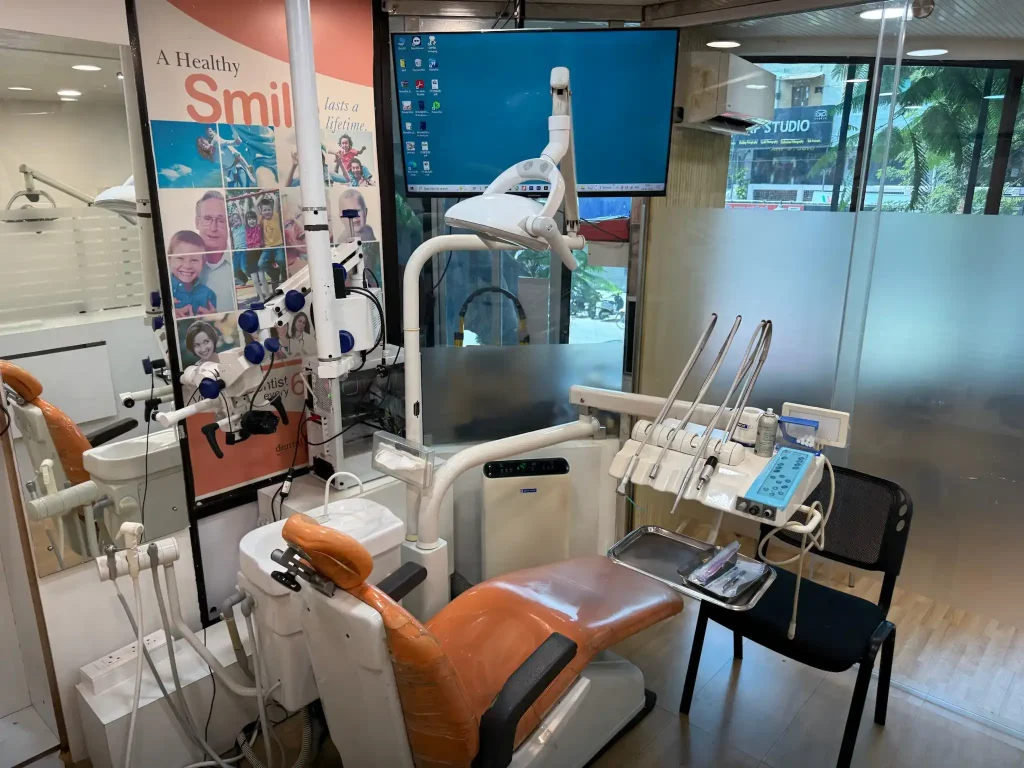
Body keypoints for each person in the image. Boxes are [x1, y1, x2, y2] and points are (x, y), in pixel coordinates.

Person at [194, 190, 235, 311]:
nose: (213, 228)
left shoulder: (241, 265)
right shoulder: (182, 268)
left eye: (221, 220)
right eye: (207, 219)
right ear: (197, 222)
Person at [169, 231, 216, 318]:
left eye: (194, 260)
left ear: (203, 263)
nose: (187, 266)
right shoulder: (164, 293)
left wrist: (214, 318)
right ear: (169, 259)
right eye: (180, 258)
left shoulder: (209, 295)